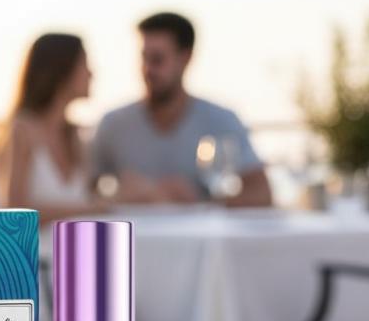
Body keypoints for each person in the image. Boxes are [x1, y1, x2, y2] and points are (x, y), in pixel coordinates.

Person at [91, 12, 272, 207]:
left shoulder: (222, 120)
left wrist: (202, 203)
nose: (147, 69)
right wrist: (120, 197)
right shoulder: (113, 124)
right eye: (144, 58)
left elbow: (263, 194)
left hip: (202, 227)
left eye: (157, 59)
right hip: (132, 228)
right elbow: (84, 194)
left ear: (185, 58)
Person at [0, 33, 109, 223]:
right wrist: (90, 209)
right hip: (17, 244)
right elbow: (14, 213)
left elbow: (92, 202)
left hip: (61, 243)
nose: (91, 73)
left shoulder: (75, 137)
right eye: (84, 64)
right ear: (61, 70)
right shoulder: (21, 130)